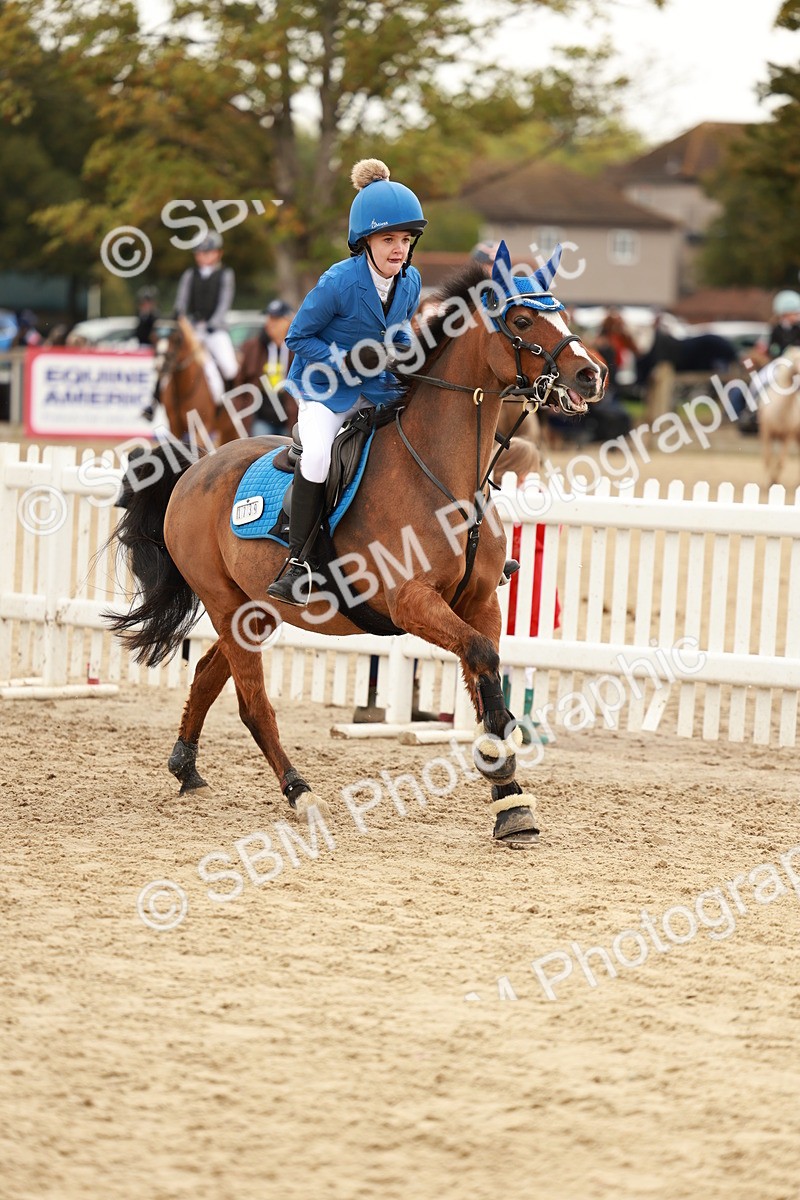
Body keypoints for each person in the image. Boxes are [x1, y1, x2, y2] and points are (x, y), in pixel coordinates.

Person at [267, 157, 426, 606]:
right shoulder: (338, 281)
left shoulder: (411, 281)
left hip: (378, 388)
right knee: (317, 455)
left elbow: (401, 329)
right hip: (324, 389)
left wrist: (412, 353)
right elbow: (298, 336)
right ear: (366, 241)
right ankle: (298, 561)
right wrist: (345, 358)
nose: (399, 249)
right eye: (389, 239)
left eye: (405, 240)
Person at [173, 231, 238, 404]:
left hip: (215, 330)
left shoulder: (225, 274)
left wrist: (213, 323)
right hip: (194, 330)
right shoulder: (189, 275)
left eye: (208, 252)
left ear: (218, 253)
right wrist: (180, 315)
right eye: (200, 253)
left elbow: (224, 302)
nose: (203, 256)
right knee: (171, 361)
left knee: (230, 367)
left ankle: (230, 403)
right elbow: (182, 300)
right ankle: (158, 399)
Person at [235, 299, 297, 437]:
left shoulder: (300, 348)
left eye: (275, 319)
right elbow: (240, 383)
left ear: (288, 320)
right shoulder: (253, 348)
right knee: (260, 455)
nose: (269, 323)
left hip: (292, 418)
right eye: (268, 318)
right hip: (262, 418)